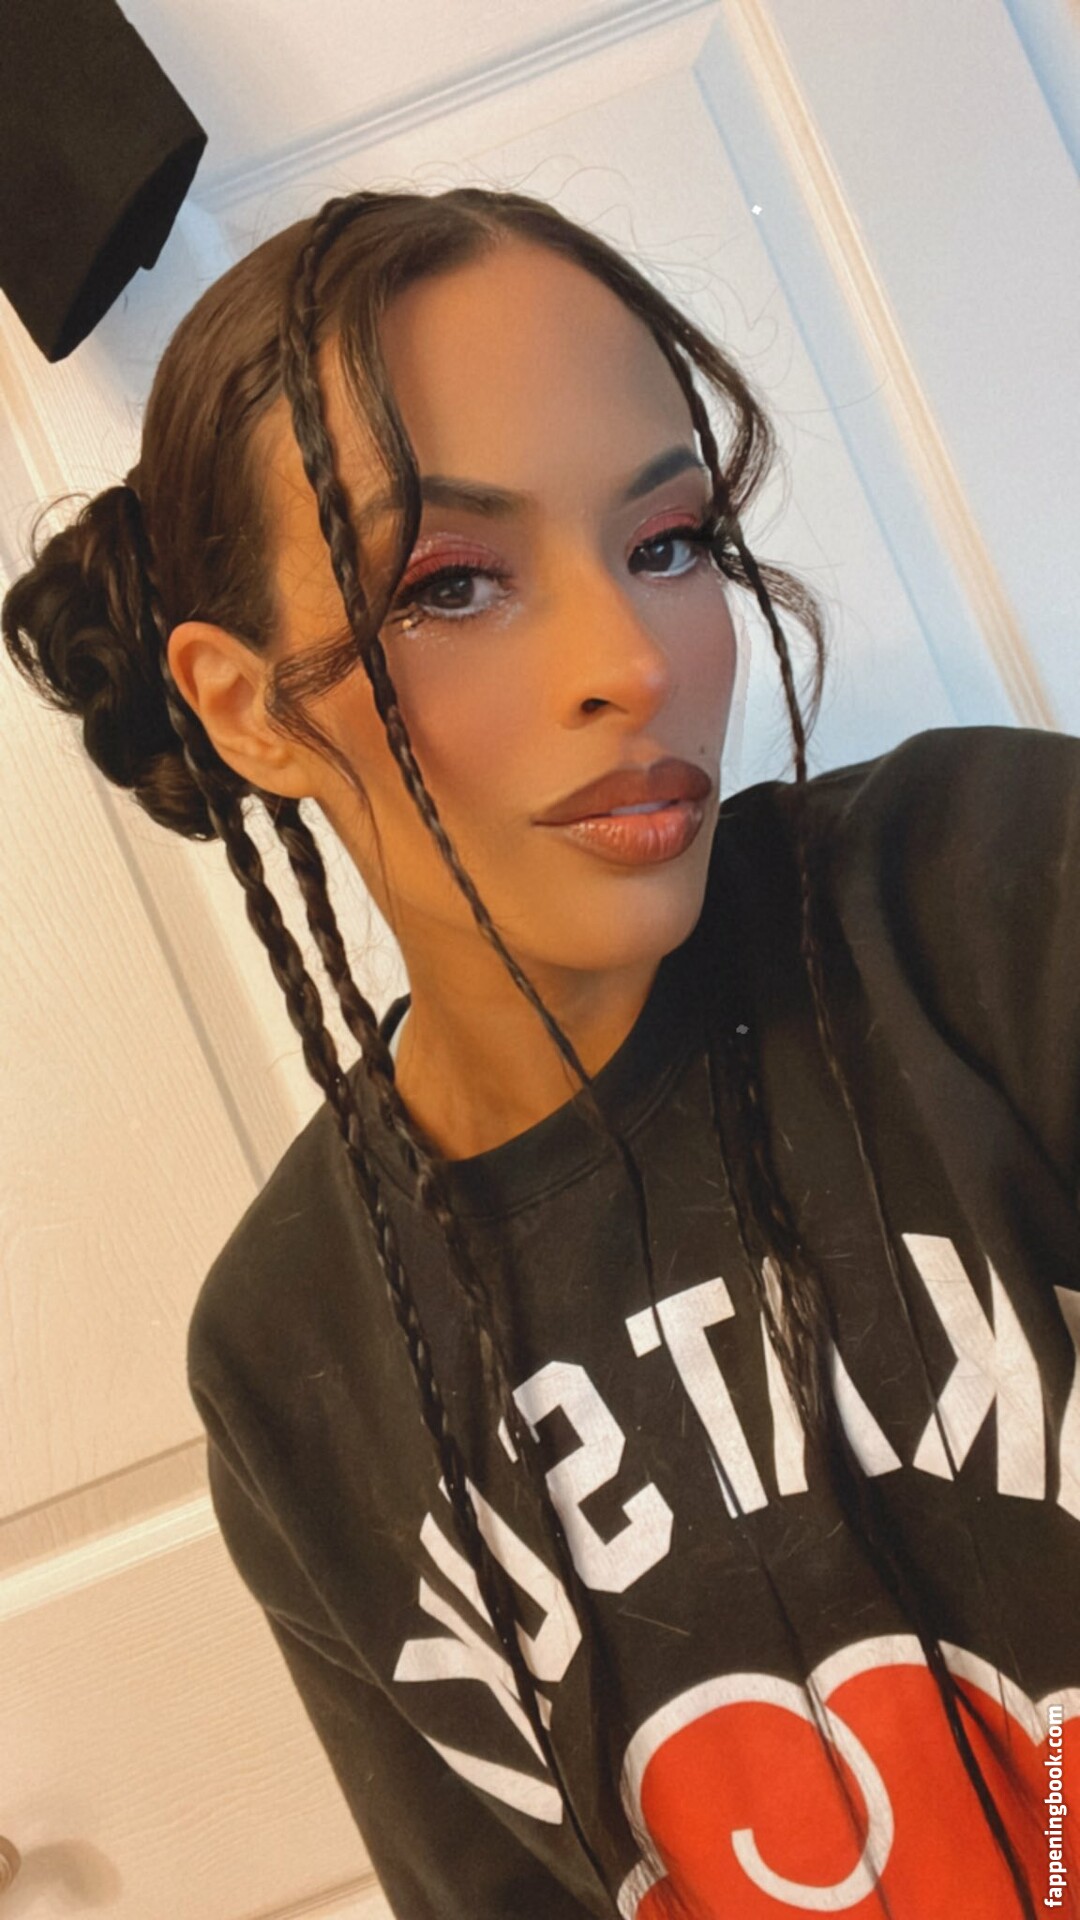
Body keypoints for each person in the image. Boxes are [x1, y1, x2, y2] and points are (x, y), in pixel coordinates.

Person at [4, 187, 1078, 1920]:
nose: (633, 662)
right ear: (251, 706)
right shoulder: (296, 1353)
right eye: (454, 583)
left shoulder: (986, 896)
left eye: (668, 542)